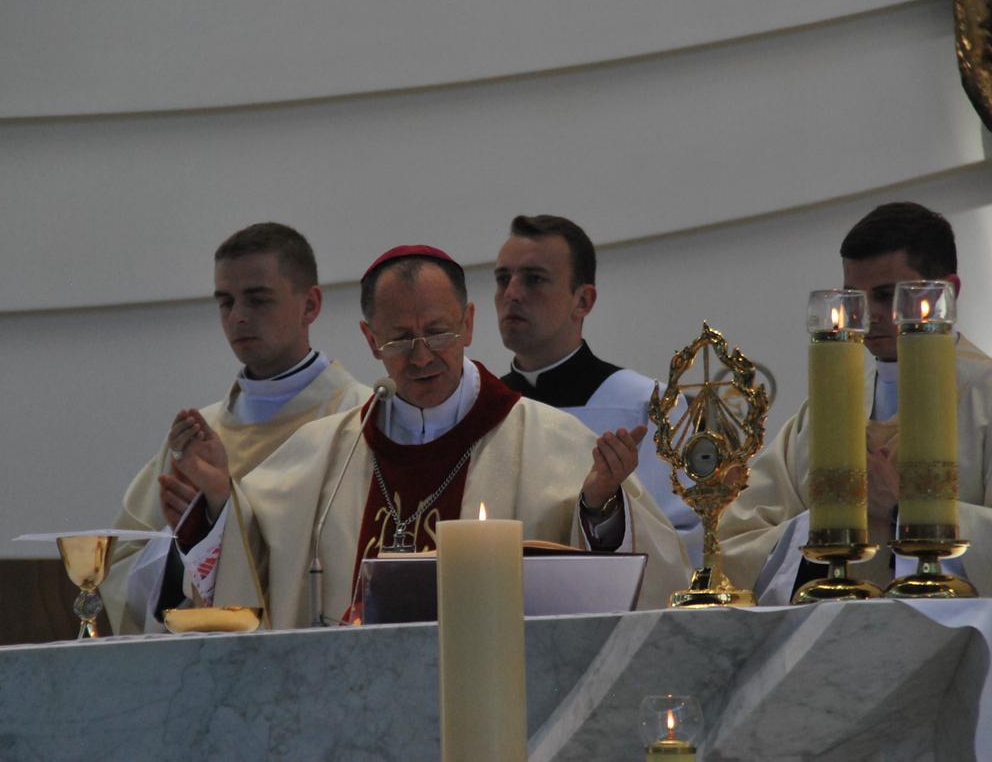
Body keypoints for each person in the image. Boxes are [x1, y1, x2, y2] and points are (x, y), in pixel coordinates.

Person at [163, 245, 691, 629]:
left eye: (438, 332)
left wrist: (600, 507)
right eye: (399, 339)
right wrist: (218, 503)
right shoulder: (324, 455)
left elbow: (644, 579)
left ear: (468, 323)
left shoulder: (550, 442)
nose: (421, 356)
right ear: (371, 339)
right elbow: (251, 566)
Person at [719, 202, 992, 603]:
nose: (868, 316)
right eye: (855, 298)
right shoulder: (821, 417)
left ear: (947, 292)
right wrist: (834, 518)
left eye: (886, 296)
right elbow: (739, 543)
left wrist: (904, 510)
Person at [101, 222, 369, 633]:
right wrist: (187, 541)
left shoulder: (360, 419)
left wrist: (221, 519)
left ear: (310, 305)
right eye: (225, 302)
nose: (238, 317)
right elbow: (122, 567)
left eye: (258, 300)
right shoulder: (196, 434)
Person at [493, 214, 701, 564]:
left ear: (583, 300)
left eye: (534, 279)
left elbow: (684, 542)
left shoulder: (650, 406)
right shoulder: (484, 410)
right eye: (503, 279)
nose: (512, 294)